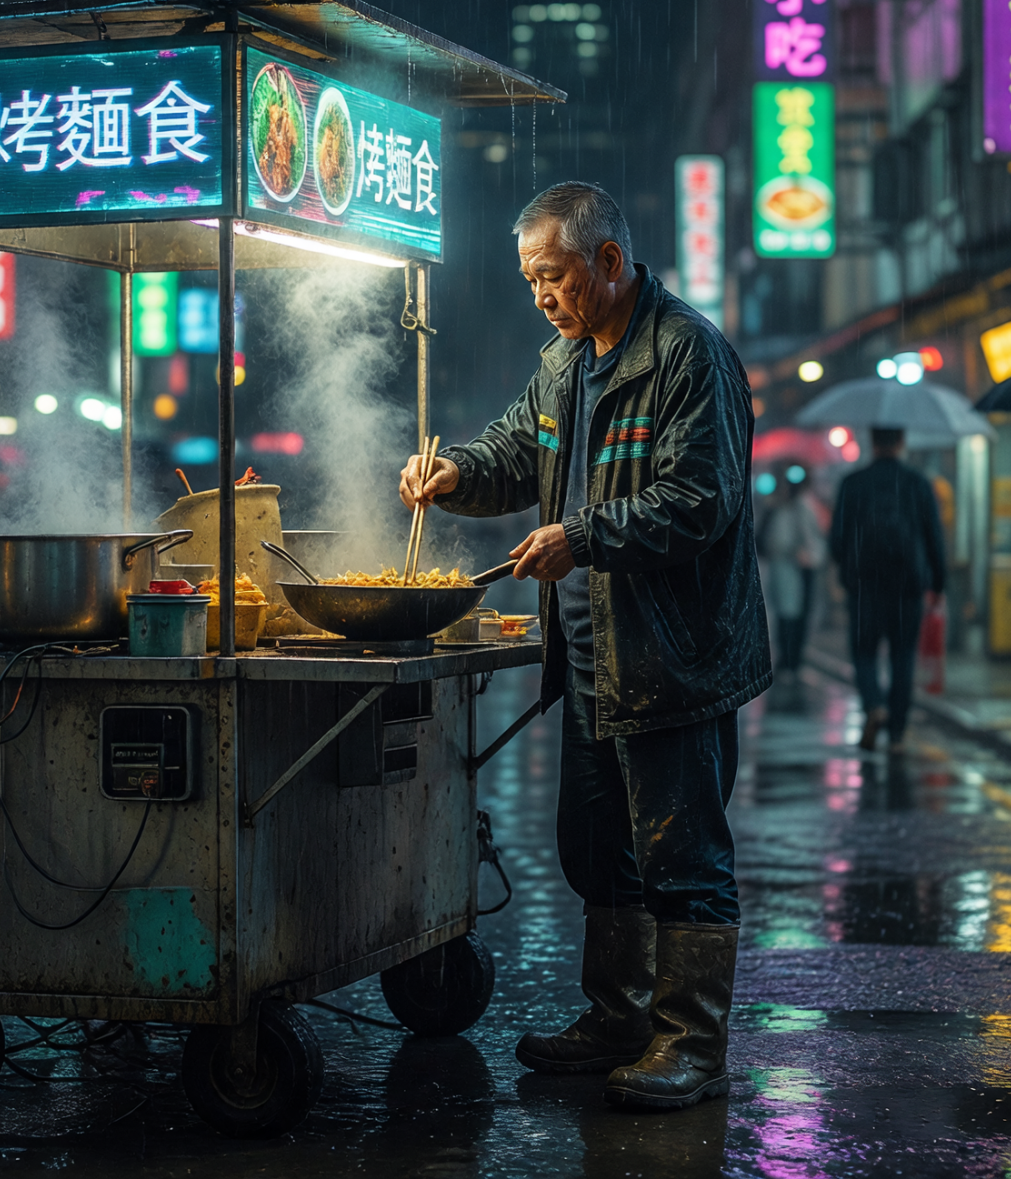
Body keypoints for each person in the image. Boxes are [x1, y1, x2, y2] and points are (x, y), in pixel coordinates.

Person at [400, 181, 767, 1112]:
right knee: (600, 848)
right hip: (592, 661)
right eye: (530, 281)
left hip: (672, 658)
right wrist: (456, 473)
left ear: (608, 261)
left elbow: (701, 501)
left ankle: (691, 1042)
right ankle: (619, 1016)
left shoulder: (689, 356)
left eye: (553, 276)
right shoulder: (565, 363)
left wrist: (585, 534)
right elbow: (516, 452)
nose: (542, 297)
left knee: (683, 857)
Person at [827, 428, 946, 751]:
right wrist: (938, 582)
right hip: (907, 584)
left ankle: (874, 704)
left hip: (865, 584)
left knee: (864, 652)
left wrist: (847, 568)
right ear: (902, 441)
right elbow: (933, 535)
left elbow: (837, 539)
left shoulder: (853, 483)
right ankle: (896, 733)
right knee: (902, 656)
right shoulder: (917, 483)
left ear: (872, 441)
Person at [758, 470, 826, 703]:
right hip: (788, 567)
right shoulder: (782, 507)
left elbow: (812, 540)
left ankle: (791, 659)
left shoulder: (800, 506)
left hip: (798, 567)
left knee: (793, 615)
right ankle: (788, 659)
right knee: (789, 615)